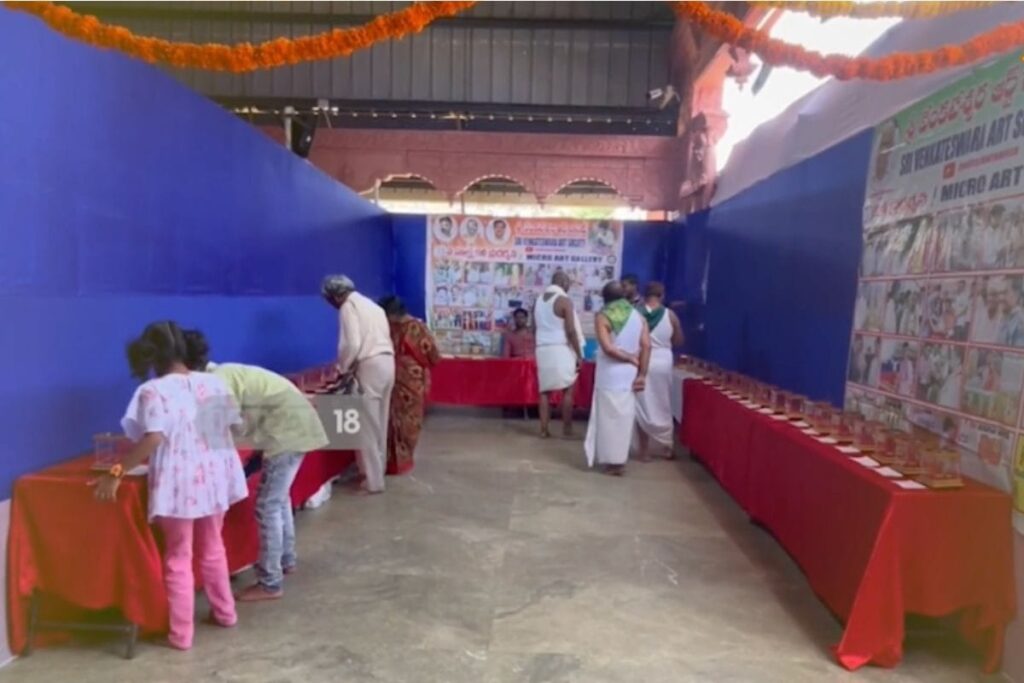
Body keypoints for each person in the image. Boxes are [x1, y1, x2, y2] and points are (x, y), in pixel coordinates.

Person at [92, 321, 247, 650]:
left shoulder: (153, 391)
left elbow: (153, 438)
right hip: (215, 477)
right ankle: (226, 613)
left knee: (178, 556)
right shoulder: (213, 382)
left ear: (150, 355)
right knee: (213, 547)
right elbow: (231, 429)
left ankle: (181, 635)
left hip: (179, 482)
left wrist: (116, 471)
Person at [181, 330, 328, 602]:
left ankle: (270, 582)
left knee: (267, 505)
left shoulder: (217, 381)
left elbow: (231, 428)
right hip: (293, 426)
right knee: (278, 499)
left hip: (286, 431)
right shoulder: (224, 373)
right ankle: (286, 560)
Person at [322, 275, 395, 494]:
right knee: (380, 421)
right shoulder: (374, 306)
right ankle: (378, 471)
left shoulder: (348, 307)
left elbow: (352, 344)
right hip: (388, 362)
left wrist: (342, 367)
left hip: (369, 365)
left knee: (365, 426)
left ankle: (373, 482)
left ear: (336, 296)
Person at [585, 282, 651, 476]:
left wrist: (628, 357)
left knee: (609, 417)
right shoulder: (639, 317)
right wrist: (642, 374)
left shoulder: (603, 316)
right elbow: (646, 346)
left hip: (610, 373)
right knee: (624, 416)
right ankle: (620, 460)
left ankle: (612, 462)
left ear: (604, 298)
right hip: (630, 374)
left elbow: (608, 348)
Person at [379, 296, 441, 476]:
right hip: (396, 378)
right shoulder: (404, 327)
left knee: (405, 420)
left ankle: (398, 461)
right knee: (394, 419)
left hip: (407, 381)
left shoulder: (413, 327)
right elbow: (433, 356)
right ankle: (391, 460)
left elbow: (433, 355)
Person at [634, 282, 684, 460]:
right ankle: (666, 446)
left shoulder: (636, 314)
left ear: (645, 295)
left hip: (642, 360)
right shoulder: (670, 315)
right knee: (663, 402)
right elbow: (678, 340)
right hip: (663, 362)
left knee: (642, 405)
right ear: (662, 295)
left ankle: (644, 450)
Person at [533, 271, 584, 438]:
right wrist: (579, 354)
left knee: (544, 391)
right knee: (568, 389)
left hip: (542, 348)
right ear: (563, 283)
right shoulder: (564, 300)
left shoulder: (538, 300)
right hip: (560, 348)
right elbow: (571, 331)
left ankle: (543, 430)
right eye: (568, 283)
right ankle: (567, 429)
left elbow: (534, 328)